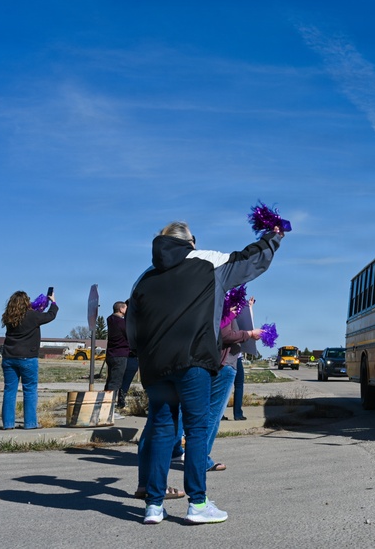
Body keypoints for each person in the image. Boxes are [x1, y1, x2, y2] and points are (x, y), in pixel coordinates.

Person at [127, 220, 283, 525]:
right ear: (190, 242)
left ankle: (154, 506)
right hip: (193, 361)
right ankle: (197, 503)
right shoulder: (208, 262)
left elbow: (133, 328)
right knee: (196, 430)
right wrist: (274, 236)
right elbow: (251, 260)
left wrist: (145, 354)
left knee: (161, 429)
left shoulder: (144, 277)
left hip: (155, 366)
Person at [205, 300, 262, 472]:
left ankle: (190, 454)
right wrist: (249, 334)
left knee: (207, 413)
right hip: (225, 365)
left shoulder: (216, 303)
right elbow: (225, 334)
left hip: (220, 363)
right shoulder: (224, 305)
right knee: (213, 415)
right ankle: (201, 459)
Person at [0, 290, 58, 429]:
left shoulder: (8, 317)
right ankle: (30, 423)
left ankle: (8, 424)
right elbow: (50, 315)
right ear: (26, 302)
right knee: (30, 390)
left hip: (9, 357)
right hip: (28, 357)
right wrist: (53, 302)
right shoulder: (32, 316)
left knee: (9, 390)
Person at [104, 301, 131, 409]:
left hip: (111, 354)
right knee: (115, 382)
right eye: (126, 308)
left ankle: (105, 404)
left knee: (110, 380)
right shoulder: (121, 323)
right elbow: (129, 334)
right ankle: (109, 408)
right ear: (121, 309)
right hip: (120, 354)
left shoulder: (110, 319)